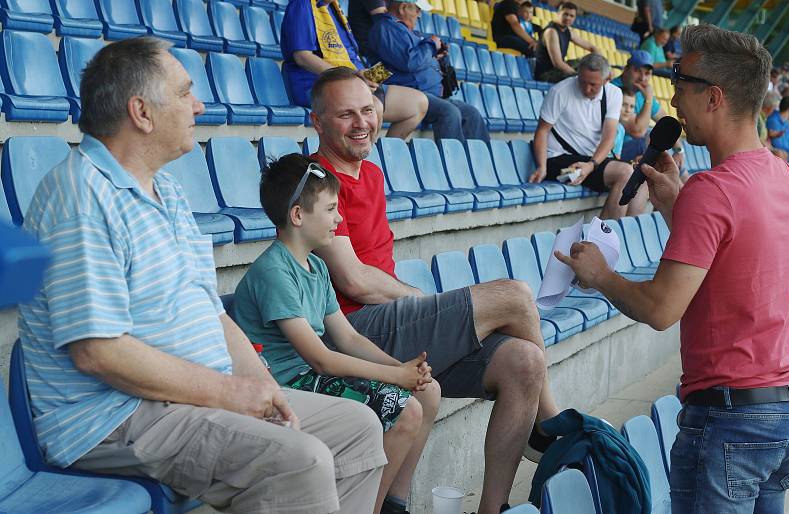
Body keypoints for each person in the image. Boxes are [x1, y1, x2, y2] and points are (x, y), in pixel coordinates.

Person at [16, 37, 387, 514]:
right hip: (115, 415)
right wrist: (229, 392)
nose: (200, 104)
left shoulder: (166, 190)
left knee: (356, 427)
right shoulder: (80, 196)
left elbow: (210, 310)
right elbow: (97, 352)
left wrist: (265, 386)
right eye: (185, 92)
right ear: (142, 113)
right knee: (300, 458)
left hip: (190, 396)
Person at [557, 24, 789, 514]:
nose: (672, 95)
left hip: (729, 422)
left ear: (714, 97)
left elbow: (661, 307)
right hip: (782, 414)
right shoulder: (780, 172)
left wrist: (600, 275)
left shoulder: (713, 190)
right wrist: (677, 207)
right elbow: (732, 258)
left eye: (681, 82)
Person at [309, 66, 559, 514]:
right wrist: (420, 301)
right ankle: (551, 425)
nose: (362, 122)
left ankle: (493, 508)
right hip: (348, 330)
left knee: (525, 361)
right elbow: (354, 280)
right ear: (318, 122)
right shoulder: (314, 181)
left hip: (383, 325)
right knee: (516, 296)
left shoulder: (369, 172)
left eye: (368, 109)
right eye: (346, 115)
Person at [234, 153, 441, 514]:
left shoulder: (315, 264)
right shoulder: (273, 272)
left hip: (308, 377)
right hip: (285, 384)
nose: (339, 217)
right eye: (330, 209)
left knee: (422, 394)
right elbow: (321, 358)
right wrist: (396, 377)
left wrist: (404, 368)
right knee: (404, 411)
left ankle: (389, 503)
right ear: (298, 215)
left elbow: (348, 338)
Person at [281, 0, 427, 140]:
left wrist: (364, 77)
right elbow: (302, 57)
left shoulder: (333, 8)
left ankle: (381, 159)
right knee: (373, 108)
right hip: (318, 85)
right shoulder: (302, 4)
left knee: (417, 104)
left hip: (353, 82)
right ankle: (361, 160)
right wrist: (351, 77)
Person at [530, 53, 647, 219]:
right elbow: (542, 131)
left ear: (607, 80)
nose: (586, 89)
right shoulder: (559, 91)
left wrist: (591, 165)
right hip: (559, 157)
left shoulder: (614, 93)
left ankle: (627, 233)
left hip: (590, 160)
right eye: (582, 81)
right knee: (625, 172)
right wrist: (542, 167)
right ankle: (600, 238)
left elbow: (609, 135)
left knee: (641, 175)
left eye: (593, 84)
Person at [369, 0, 491, 143]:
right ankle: (451, 163)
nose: (420, 15)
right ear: (402, 8)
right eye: (417, 10)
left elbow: (418, 59)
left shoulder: (407, 30)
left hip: (431, 95)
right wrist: (431, 45)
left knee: (471, 113)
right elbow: (409, 62)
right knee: (450, 112)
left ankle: (478, 164)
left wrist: (437, 55)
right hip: (410, 94)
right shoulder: (385, 28)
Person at [611, 50, 685, 167]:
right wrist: (648, 99)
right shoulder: (615, 90)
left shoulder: (641, 92)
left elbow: (665, 121)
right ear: (626, 69)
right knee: (649, 140)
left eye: (647, 73)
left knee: (678, 170)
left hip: (634, 151)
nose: (642, 78)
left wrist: (679, 150)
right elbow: (638, 131)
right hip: (613, 152)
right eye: (637, 71)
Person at [533, 2, 598, 83]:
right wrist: (577, 75)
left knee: (584, 62)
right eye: (565, 14)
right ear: (558, 13)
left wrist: (600, 64)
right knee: (584, 79)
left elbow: (592, 47)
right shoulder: (551, 32)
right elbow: (558, 63)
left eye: (571, 16)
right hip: (546, 75)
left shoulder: (568, 31)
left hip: (557, 71)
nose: (568, 18)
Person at [767, 96, 789, 161]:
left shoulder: (787, 123)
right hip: (778, 155)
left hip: (787, 152)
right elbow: (777, 146)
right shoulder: (773, 120)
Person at [614, 89, 636, 160]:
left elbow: (617, 157)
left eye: (631, 106)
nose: (628, 110)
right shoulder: (603, 124)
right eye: (624, 105)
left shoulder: (621, 129)